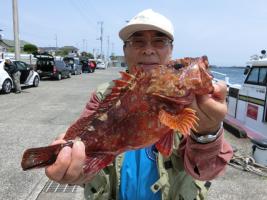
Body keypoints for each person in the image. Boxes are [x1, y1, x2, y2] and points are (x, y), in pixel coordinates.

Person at [45, 9, 233, 200]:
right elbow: (86, 161)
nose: (148, 49)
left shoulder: (190, 104)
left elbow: (208, 170)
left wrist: (207, 131)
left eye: (159, 41)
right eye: (137, 42)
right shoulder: (104, 97)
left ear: (171, 50)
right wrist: (76, 170)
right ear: (125, 50)